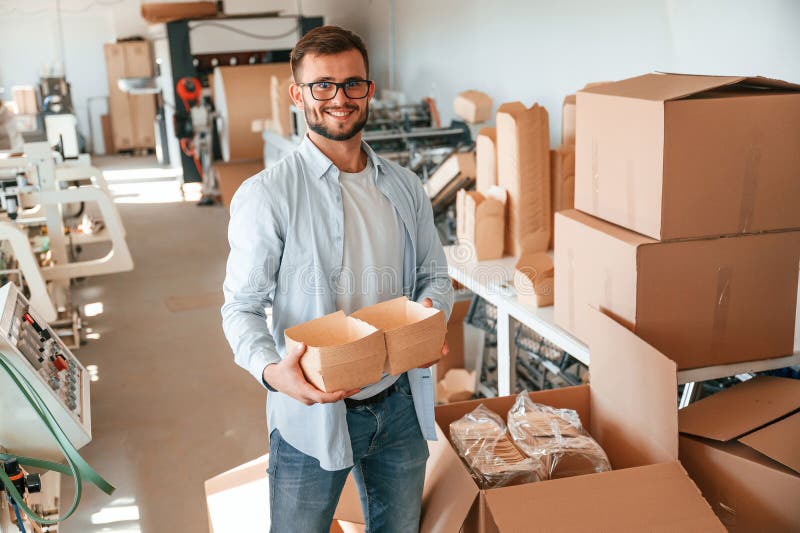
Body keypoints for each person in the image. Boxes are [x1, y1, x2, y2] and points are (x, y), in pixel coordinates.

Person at [221, 25, 453, 533]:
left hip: (399, 406)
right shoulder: (268, 196)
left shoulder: (405, 187)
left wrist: (431, 317)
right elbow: (239, 306)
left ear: (369, 89)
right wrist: (271, 372)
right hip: (313, 412)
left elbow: (435, 275)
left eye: (353, 84)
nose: (339, 99)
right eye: (322, 85)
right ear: (297, 94)